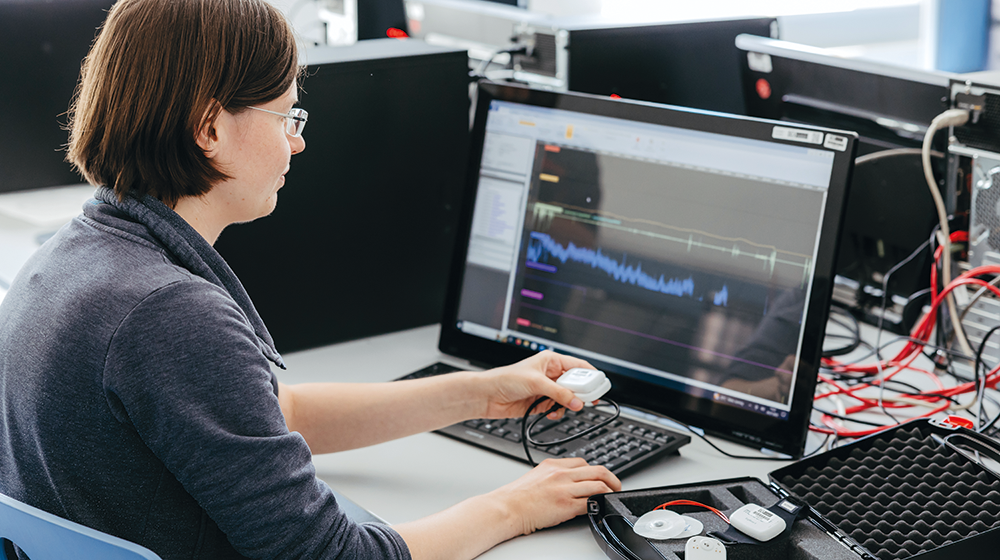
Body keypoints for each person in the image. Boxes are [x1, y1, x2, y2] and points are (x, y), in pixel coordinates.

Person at [0, 1, 620, 559]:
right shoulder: (168, 314)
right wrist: (514, 505)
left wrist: (480, 394)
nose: (296, 143)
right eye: (286, 115)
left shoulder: (74, 257)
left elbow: (270, 411)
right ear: (210, 128)